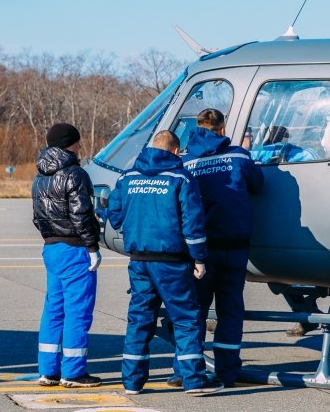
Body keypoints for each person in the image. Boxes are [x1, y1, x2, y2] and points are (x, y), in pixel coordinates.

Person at [107, 130, 224, 396]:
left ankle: (132, 382)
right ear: (175, 151)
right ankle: (194, 380)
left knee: (139, 319)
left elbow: (113, 214)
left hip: (139, 260)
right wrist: (199, 258)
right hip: (171, 262)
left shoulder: (128, 177)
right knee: (186, 319)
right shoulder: (180, 178)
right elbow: (192, 222)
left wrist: (135, 227)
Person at [172, 108, 264, 387]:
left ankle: (185, 370)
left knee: (195, 310)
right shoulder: (238, 156)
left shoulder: (186, 161)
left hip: (200, 249)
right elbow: (258, 185)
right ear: (222, 129)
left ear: (197, 127)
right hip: (234, 246)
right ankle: (227, 371)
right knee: (230, 310)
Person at [32, 122, 102, 388]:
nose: (80, 147)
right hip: (75, 249)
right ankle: (73, 372)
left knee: (54, 309)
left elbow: (38, 216)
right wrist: (92, 247)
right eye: (77, 142)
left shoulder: (39, 176)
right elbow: (81, 214)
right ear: (69, 144)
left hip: (51, 248)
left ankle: (47, 370)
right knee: (78, 311)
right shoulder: (75, 173)